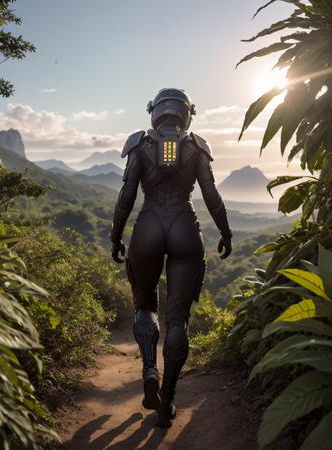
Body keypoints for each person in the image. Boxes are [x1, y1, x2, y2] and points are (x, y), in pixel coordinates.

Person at [110, 88, 232, 428]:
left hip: (147, 226)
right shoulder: (196, 147)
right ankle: (167, 404)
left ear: (155, 113)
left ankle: (149, 369)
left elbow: (125, 197)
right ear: (186, 114)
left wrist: (116, 236)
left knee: (145, 306)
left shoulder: (140, 145)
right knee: (177, 319)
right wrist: (226, 232)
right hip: (184, 226)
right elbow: (211, 195)